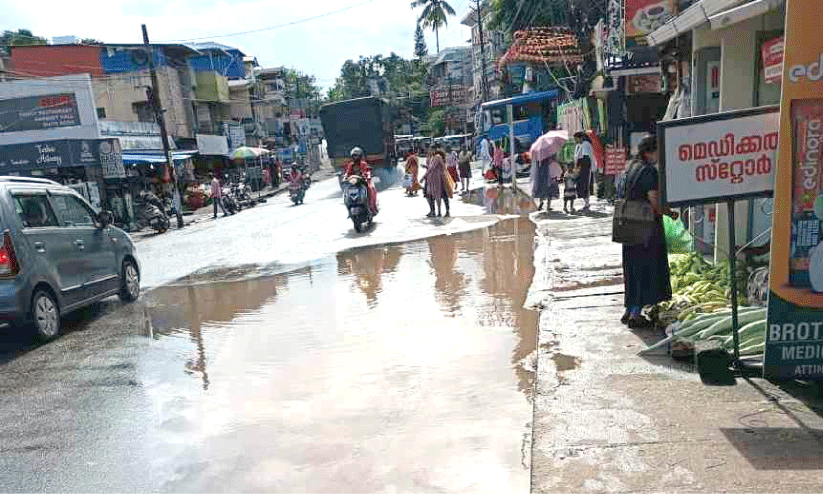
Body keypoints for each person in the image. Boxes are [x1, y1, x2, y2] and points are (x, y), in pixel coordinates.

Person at [619, 135, 674, 328]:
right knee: (645, 269)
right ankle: (635, 313)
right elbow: (655, 202)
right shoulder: (649, 171)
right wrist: (671, 213)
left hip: (629, 226)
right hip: (646, 229)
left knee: (632, 268)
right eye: (658, 151)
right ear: (650, 151)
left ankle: (629, 309)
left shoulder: (631, 167)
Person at [344, 147, 378, 215]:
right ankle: (349, 206)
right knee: (346, 192)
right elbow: (347, 173)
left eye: (356, 155)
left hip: (362, 182)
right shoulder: (350, 165)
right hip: (353, 183)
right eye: (353, 155)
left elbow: (366, 172)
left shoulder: (363, 164)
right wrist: (345, 178)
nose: (355, 157)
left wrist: (366, 176)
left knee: (370, 189)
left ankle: (371, 207)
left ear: (360, 156)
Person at [423, 147, 450, 218]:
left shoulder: (437, 157)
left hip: (438, 179)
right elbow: (431, 167)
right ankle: (437, 211)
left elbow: (432, 168)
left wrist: (423, 177)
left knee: (440, 196)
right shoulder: (433, 157)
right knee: (438, 196)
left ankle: (439, 212)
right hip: (434, 179)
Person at [574, 131, 597, 211]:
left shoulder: (585, 145)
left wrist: (580, 168)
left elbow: (586, 157)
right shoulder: (580, 145)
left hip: (585, 168)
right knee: (581, 186)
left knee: (585, 185)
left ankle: (587, 203)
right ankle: (585, 203)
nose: (575, 140)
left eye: (576, 138)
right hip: (582, 168)